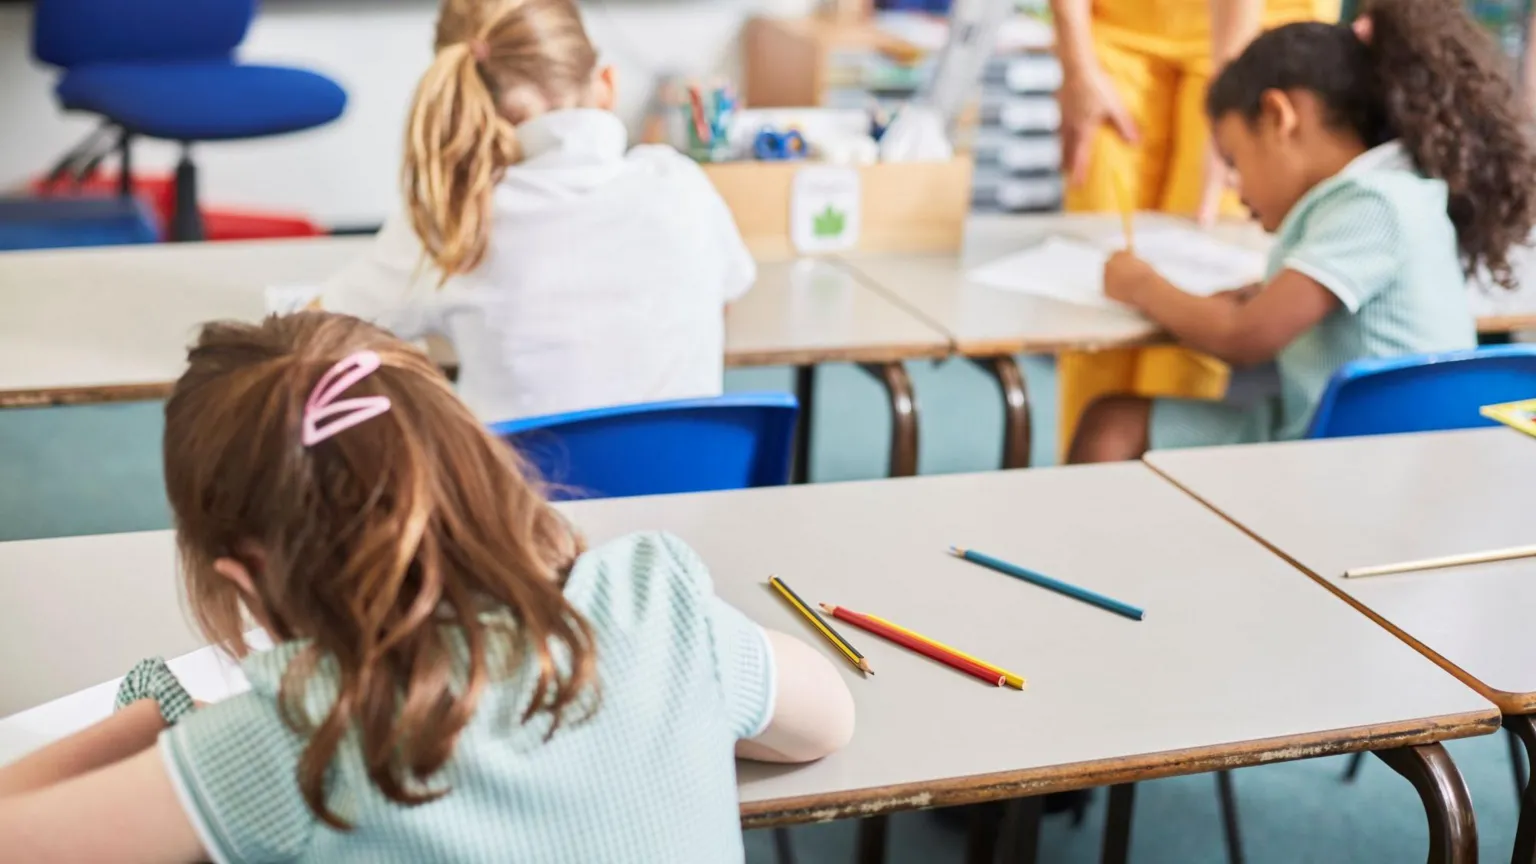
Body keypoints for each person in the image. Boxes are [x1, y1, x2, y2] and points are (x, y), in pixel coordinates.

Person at [0, 312, 855, 861]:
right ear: (475, 462)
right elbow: (826, 720)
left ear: (244, 578)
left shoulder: (297, 732)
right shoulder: (653, 602)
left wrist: (167, 706)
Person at [1069, 0, 1536, 462]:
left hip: (1359, 457)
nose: (1234, 182)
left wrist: (1141, 286)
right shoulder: (1390, 190)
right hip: (1372, 442)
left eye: (1234, 159)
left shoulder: (1373, 204)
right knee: (1115, 418)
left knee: (1112, 424)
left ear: (1278, 117)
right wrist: (1262, 292)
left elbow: (1242, 339)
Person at [320, 0, 756, 423]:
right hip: (691, 492)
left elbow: (320, 330)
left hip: (521, 497)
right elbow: (726, 298)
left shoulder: (457, 219)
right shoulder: (683, 185)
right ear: (607, 84)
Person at [1047, 0, 1340, 461]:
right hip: (1124, 27)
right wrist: (1076, 63)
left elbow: (1238, 335)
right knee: (1097, 281)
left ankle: (1172, 485)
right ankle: (1089, 487)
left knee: (1204, 270)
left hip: (1255, 30)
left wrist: (1228, 111)